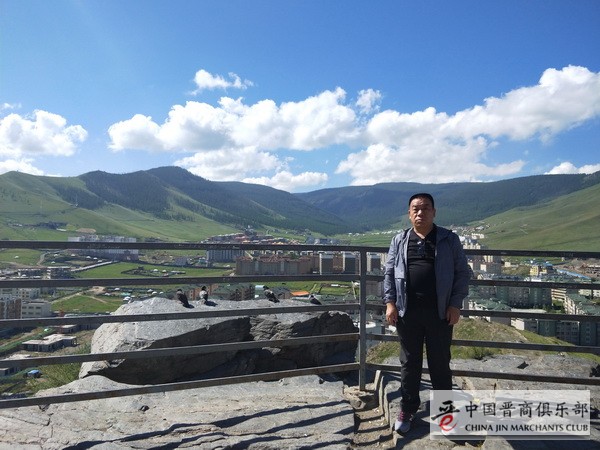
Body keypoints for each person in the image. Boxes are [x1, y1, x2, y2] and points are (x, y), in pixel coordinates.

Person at [383, 193, 470, 434]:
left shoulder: (448, 239)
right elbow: (389, 273)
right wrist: (390, 303)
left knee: (440, 364)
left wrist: (455, 304)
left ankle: (445, 414)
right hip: (407, 313)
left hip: (440, 313)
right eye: (415, 209)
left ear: (434, 212)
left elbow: (462, 273)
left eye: (425, 208)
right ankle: (408, 409)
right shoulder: (400, 240)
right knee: (409, 364)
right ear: (409, 213)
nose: (420, 213)